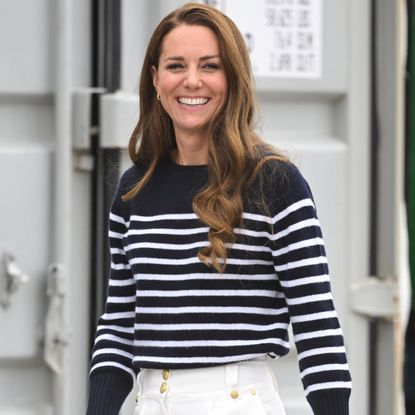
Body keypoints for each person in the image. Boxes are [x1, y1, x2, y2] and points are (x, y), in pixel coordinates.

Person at [86, 3, 352, 415]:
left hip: (236, 401)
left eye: (210, 66)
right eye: (176, 65)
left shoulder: (275, 183)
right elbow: (120, 325)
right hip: (151, 400)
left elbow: (316, 322)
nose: (192, 80)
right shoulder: (133, 190)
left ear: (232, 78)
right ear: (156, 79)